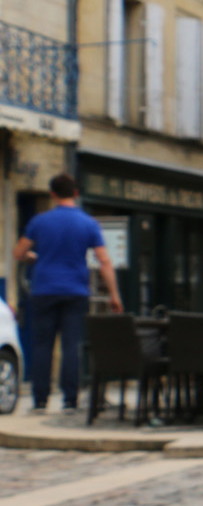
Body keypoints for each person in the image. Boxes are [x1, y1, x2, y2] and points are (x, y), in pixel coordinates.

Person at [12, 173, 122, 412]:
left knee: (42, 345)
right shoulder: (88, 223)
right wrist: (114, 294)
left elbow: (19, 252)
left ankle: (40, 399)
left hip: (44, 289)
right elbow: (104, 260)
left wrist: (33, 257)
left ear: (52, 194)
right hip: (75, 290)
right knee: (71, 345)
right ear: (75, 193)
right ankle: (70, 399)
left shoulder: (39, 222)